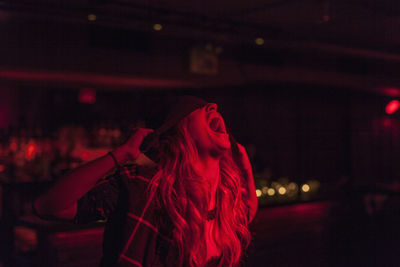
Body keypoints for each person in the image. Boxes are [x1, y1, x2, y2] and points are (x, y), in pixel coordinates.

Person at [34, 96, 258, 267]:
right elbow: (48, 206)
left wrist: (245, 170)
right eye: (195, 108)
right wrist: (119, 155)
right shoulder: (142, 188)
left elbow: (248, 211)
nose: (213, 106)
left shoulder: (225, 201)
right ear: (178, 135)